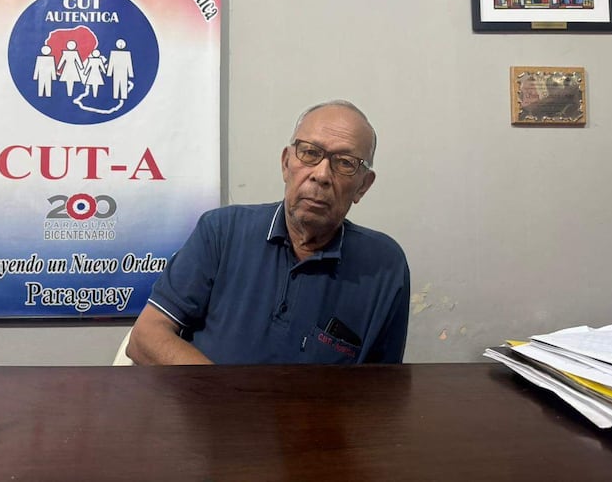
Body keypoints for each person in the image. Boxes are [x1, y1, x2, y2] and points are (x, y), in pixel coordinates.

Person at [127, 100, 410, 365]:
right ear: (286, 163)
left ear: (363, 186)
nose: (322, 175)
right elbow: (145, 338)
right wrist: (222, 394)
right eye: (310, 153)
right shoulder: (222, 231)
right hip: (210, 400)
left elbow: (383, 384)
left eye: (345, 162)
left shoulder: (384, 266)